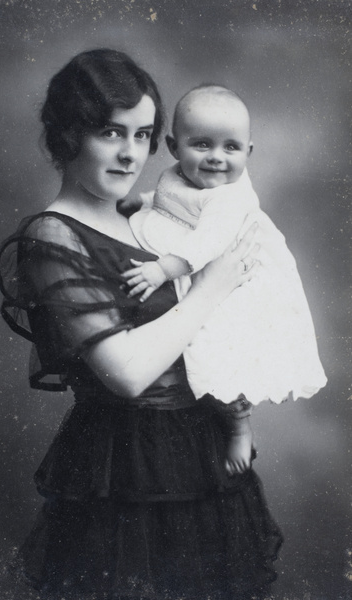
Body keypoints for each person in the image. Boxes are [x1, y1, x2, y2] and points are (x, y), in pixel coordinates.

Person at [0, 49, 283, 600]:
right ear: (68, 135)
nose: (131, 154)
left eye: (143, 134)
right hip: (125, 466)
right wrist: (213, 285)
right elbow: (126, 374)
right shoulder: (53, 236)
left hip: (202, 447)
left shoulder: (145, 217)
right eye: (111, 132)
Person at [125, 85, 327, 476]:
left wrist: (161, 269)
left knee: (221, 353)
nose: (216, 157)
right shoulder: (182, 176)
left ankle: (239, 424)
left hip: (231, 278)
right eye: (201, 144)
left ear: (248, 152)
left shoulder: (231, 199)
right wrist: (144, 202)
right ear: (173, 146)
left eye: (230, 148)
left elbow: (208, 241)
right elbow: (173, 196)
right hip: (198, 266)